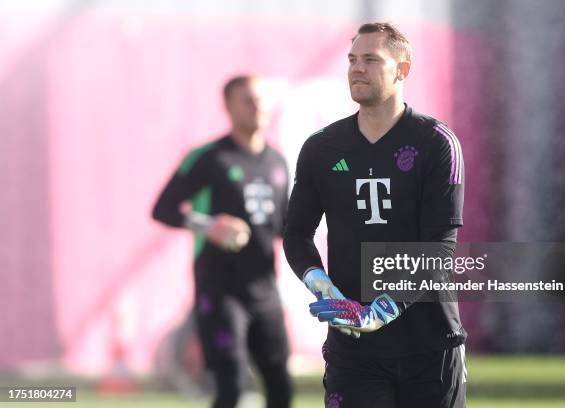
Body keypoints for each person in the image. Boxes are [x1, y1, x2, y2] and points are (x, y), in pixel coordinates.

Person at [283, 23, 467, 407]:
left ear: (402, 70)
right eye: (352, 59)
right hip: (354, 348)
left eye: (371, 59)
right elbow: (297, 235)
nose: (357, 69)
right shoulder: (321, 148)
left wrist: (381, 310)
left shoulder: (436, 143)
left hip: (429, 344)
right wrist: (325, 289)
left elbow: (440, 249)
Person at [152, 75, 292, 408]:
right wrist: (209, 225)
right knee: (231, 380)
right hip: (220, 289)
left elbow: (284, 226)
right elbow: (163, 209)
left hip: (265, 289)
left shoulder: (278, 162)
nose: (256, 106)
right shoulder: (209, 158)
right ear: (228, 107)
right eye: (247, 99)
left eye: (260, 99)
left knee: (280, 383)